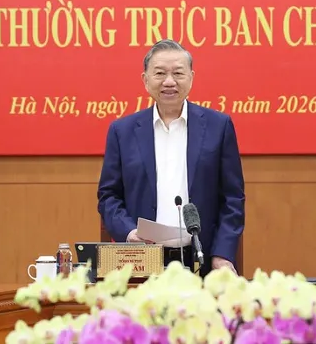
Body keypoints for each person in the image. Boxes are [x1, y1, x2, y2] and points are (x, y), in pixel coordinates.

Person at [97, 39, 246, 276]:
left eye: (178, 73)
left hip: (203, 259)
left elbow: (233, 198)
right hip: (143, 260)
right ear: (145, 80)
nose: (169, 81)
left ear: (191, 78)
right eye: (159, 73)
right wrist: (128, 232)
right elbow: (108, 196)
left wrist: (222, 253)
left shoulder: (218, 126)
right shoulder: (122, 131)